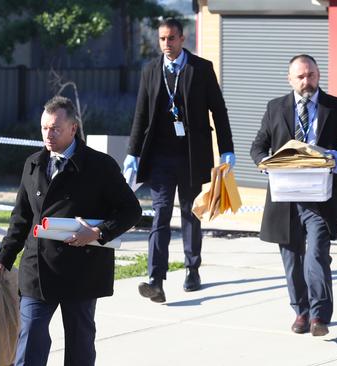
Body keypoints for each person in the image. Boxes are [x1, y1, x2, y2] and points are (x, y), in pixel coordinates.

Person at [0, 96, 142, 365]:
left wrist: (98, 232)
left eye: (56, 128)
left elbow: (131, 210)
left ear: (73, 128)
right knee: (30, 338)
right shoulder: (33, 164)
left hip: (82, 271)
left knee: (80, 347)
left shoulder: (100, 166)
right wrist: (2, 259)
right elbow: (21, 218)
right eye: (45, 128)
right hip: (37, 269)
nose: (48, 135)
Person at [250, 54, 337, 336]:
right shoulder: (275, 107)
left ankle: (319, 318)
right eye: (300, 76)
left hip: (321, 198)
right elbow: (258, 147)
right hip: (285, 199)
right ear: (289, 79)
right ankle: (300, 312)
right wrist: (266, 164)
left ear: (318, 75)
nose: (306, 81)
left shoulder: (336, 107)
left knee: (316, 255)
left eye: (311, 75)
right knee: (292, 261)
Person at [124, 18, 235, 302]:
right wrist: (132, 153)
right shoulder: (151, 70)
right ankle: (155, 279)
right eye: (162, 39)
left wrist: (226, 149)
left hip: (190, 156)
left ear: (183, 39)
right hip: (160, 157)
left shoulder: (201, 69)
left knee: (190, 213)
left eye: (171, 38)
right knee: (160, 215)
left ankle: (192, 268)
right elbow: (140, 114)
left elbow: (218, 111)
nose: (166, 44)